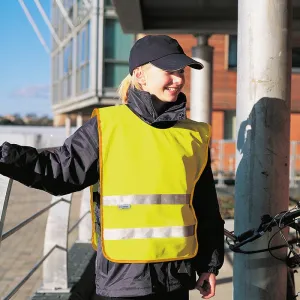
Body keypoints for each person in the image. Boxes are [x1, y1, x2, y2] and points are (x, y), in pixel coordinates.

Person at [0, 35, 224, 300]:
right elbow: (60, 171)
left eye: (181, 71)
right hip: (123, 281)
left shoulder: (194, 135)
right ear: (140, 74)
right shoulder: (106, 127)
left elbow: (205, 204)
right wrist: (4, 155)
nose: (178, 79)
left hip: (175, 279)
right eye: (169, 71)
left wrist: (208, 266)